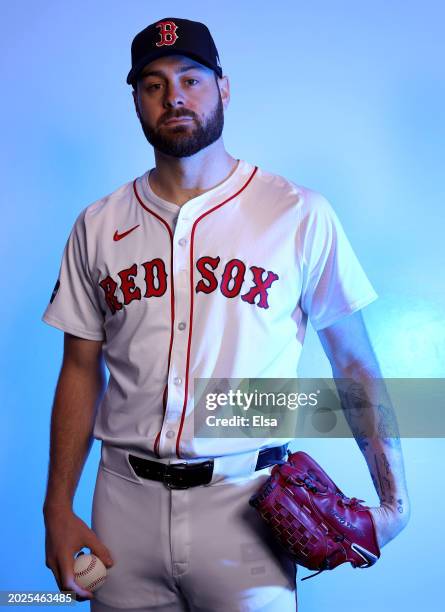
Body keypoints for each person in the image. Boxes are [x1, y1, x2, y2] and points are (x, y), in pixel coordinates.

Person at [42, 16, 410, 612]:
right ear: (136, 99)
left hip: (248, 506)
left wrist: (395, 504)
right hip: (121, 508)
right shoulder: (98, 224)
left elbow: (355, 366)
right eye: (154, 84)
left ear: (223, 87)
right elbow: (80, 370)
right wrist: (57, 508)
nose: (174, 97)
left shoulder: (298, 213)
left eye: (191, 78)